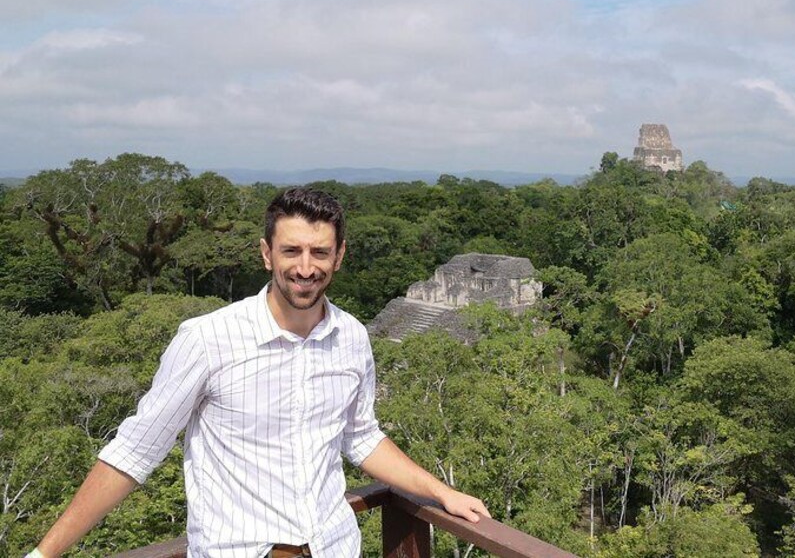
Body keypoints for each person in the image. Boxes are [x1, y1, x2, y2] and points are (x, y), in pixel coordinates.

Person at [27, 187, 489, 558]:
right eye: (292, 251)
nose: (305, 268)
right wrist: (44, 554)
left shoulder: (351, 337)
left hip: (334, 545)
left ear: (340, 256)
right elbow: (133, 454)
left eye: (319, 252)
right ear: (266, 254)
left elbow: (361, 437)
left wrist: (439, 492)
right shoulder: (208, 339)